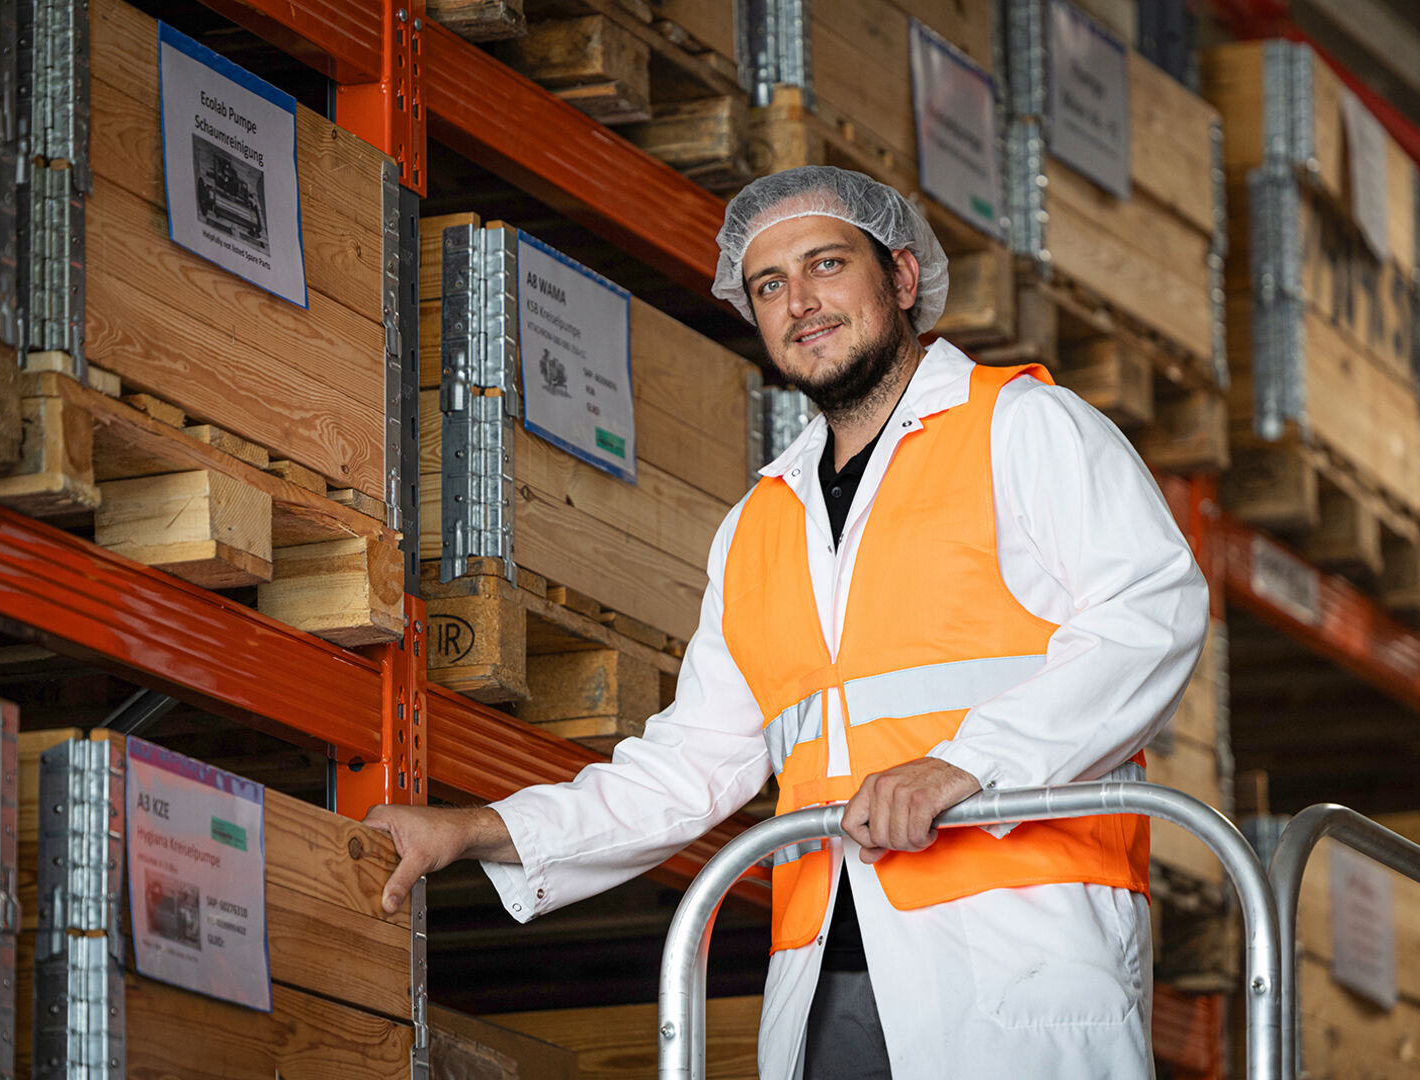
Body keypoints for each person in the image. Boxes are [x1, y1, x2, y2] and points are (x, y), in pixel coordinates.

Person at [365, 166, 1209, 1079]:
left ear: (902, 277)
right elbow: (690, 764)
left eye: (825, 264)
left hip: (1018, 962)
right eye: (769, 284)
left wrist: (969, 764)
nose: (799, 301)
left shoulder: (1022, 428)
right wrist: (485, 829)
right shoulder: (761, 523)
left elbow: (1150, 611)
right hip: (827, 981)